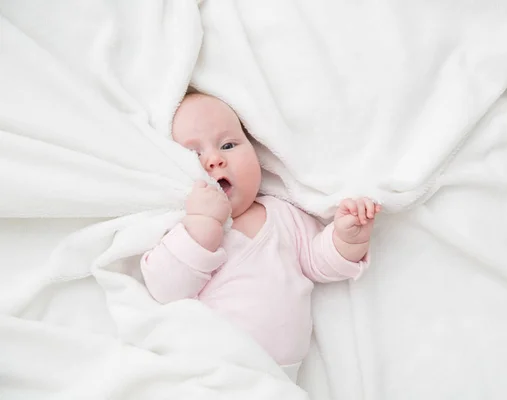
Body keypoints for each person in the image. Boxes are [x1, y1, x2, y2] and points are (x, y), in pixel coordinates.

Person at [141, 93, 381, 381]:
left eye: (228, 145)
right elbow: (166, 288)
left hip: (279, 378)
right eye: (194, 154)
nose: (214, 160)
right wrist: (202, 225)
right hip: (208, 368)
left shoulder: (282, 214)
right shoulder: (185, 229)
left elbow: (318, 262)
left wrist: (346, 238)